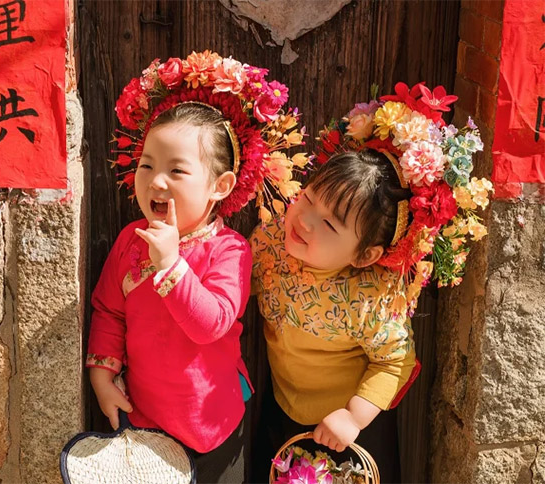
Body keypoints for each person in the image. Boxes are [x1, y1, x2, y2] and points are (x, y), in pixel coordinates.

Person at [250, 82, 491, 482]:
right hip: (283, 406)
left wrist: (353, 415)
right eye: (308, 197)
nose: (305, 220)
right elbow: (234, 282)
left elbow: (395, 360)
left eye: (329, 223)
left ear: (364, 256)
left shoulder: (369, 296)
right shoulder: (273, 241)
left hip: (350, 427)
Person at [85, 51, 307, 483]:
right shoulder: (132, 241)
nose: (156, 180)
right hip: (145, 420)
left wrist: (170, 266)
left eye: (177, 170)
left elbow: (212, 323)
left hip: (213, 427)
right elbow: (109, 310)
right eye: (147, 165)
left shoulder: (230, 250)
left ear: (218, 187)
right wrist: (101, 373)